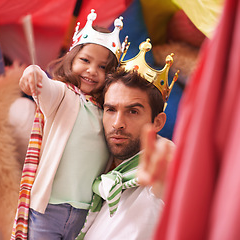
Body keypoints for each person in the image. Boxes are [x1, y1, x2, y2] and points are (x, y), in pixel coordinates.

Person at [11, 9, 124, 240]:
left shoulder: (107, 111)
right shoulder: (63, 96)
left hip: (85, 214)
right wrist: (32, 73)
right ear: (71, 60)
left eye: (103, 67)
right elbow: (44, 84)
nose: (93, 71)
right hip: (48, 209)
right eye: (85, 60)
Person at [76, 39, 177, 240]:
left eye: (133, 111)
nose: (117, 123)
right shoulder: (97, 170)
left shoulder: (168, 168)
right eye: (111, 110)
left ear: (157, 122)